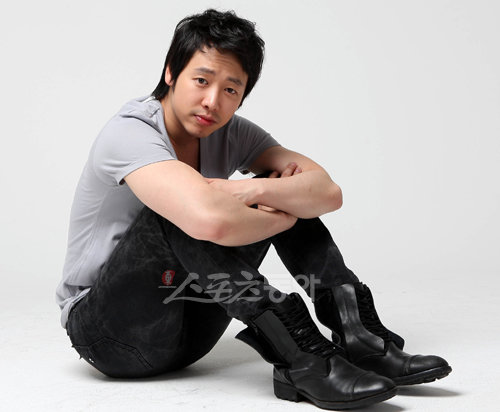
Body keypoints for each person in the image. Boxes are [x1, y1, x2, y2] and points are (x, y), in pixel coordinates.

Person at [56, 9, 451, 410]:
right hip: (110, 336)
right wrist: (278, 208)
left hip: (191, 332)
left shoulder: (230, 133)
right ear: (171, 72)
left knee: (276, 187)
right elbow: (209, 220)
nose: (212, 101)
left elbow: (328, 192)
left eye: (231, 89)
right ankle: (303, 357)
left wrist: (254, 190)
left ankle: (359, 336)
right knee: (183, 207)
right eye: (201, 80)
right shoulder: (129, 132)